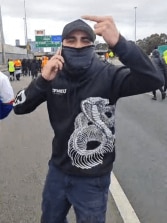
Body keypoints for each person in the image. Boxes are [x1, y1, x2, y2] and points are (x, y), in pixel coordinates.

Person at [13, 16, 164, 223]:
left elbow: (154, 79)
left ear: (93, 45)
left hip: (93, 179)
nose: (78, 45)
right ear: (62, 45)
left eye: (85, 40)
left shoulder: (109, 74)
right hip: (57, 171)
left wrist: (119, 42)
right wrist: (42, 81)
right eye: (71, 40)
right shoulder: (53, 74)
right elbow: (19, 107)